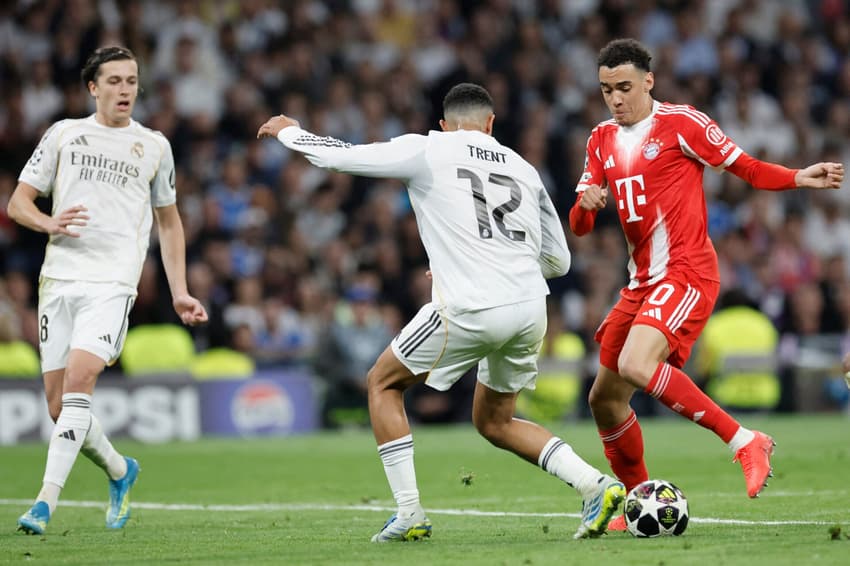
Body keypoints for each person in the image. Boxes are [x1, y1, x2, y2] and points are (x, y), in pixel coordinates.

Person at [258, 83, 626, 542]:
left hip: (471, 304)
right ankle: (597, 486)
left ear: (443, 124)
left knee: (382, 382)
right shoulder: (524, 168)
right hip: (530, 307)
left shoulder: (429, 148)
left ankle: (409, 513)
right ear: (491, 124)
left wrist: (292, 133)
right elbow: (560, 262)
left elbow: (340, 156)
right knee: (495, 421)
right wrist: (495, 258)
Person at [568, 38, 844, 531]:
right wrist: (585, 207)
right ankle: (637, 503)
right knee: (603, 401)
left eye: (624, 87)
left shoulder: (683, 123)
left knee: (635, 364)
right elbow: (581, 226)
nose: (615, 98)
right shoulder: (600, 139)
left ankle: (745, 440)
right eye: (607, 89)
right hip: (640, 283)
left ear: (648, 82)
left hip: (688, 272)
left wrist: (798, 177)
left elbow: (746, 167)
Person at [8, 46, 208, 535]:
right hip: (59, 280)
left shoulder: (155, 146)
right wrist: (49, 221)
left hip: (113, 284)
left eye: (132, 81)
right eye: (114, 81)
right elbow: (17, 203)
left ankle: (43, 504)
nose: (125, 90)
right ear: (93, 87)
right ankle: (121, 470)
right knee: (58, 407)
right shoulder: (64, 134)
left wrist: (179, 290)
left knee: (80, 381)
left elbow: (169, 222)